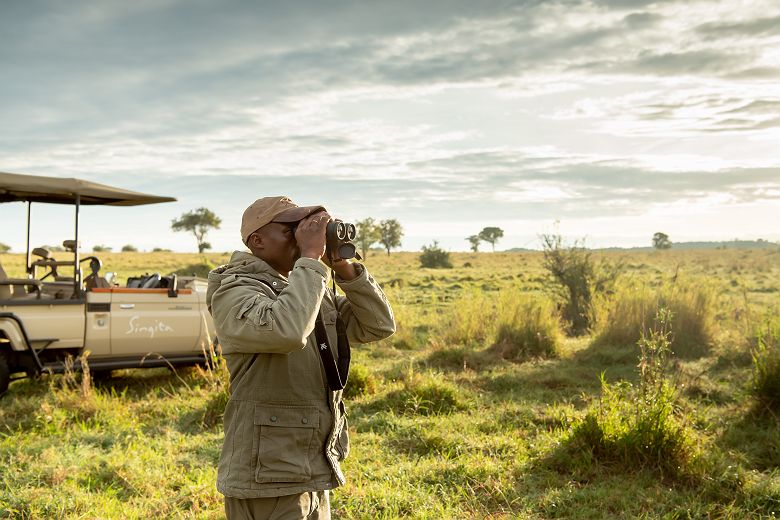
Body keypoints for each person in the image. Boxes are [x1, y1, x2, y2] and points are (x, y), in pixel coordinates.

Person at [206, 196, 396, 519]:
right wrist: (309, 256)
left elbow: (379, 325)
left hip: (310, 468)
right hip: (266, 478)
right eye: (291, 228)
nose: (303, 235)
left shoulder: (306, 285)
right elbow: (287, 330)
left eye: (306, 227)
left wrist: (344, 267)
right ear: (257, 241)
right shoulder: (234, 290)